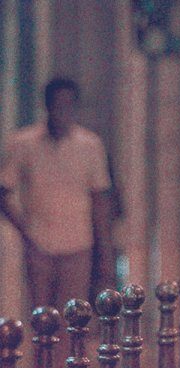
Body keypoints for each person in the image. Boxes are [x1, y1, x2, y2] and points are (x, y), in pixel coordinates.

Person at [0, 77, 114, 313]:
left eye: (68, 104)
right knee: (41, 314)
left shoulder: (90, 145)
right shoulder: (23, 143)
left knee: (73, 313)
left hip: (78, 243)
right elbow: (4, 189)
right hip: (38, 242)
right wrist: (24, 229)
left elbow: (99, 199)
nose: (62, 110)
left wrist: (104, 250)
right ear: (47, 105)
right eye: (57, 104)